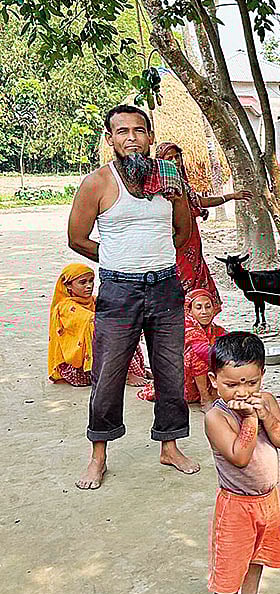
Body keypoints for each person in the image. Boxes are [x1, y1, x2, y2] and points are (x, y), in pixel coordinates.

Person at [67, 104, 198, 490]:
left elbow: (182, 234)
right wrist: (114, 261)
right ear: (111, 140)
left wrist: (177, 202)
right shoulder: (98, 183)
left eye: (138, 131)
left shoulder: (169, 177)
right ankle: (98, 456)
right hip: (119, 290)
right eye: (121, 132)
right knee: (108, 374)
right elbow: (77, 238)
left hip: (165, 287)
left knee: (170, 370)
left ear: (150, 136)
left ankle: (170, 446)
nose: (131, 138)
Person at [204, 332, 280, 594]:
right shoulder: (217, 417)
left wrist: (267, 413)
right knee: (227, 576)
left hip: (268, 499)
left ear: (261, 376)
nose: (242, 392)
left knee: (259, 553)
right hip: (236, 505)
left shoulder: (265, 399)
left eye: (250, 383)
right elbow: (240, 456)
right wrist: (252, 419)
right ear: (214, 381)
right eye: (232, 385)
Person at [155, 141, 252, 308]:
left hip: (192, 240)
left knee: (196, 277)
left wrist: (231, 196)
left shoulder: (182, 183)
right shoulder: (161, 186)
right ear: (160, 162)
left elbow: (200, 201)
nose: (174, 161)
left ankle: (199, 321)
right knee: (182, 280)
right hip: (176, 241)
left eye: (177, 157)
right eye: (169, 158)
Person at [48, 263, 148, 388]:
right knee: (110, 330)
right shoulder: (65, 306)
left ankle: (135, 369)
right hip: (80, 366)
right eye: (82, 282)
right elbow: (90, 320)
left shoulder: (92, 301)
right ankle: (126, 374)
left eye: (91, 281)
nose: (89, 286)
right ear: (68, 286)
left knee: (124, 326)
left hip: (97, 356)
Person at [137, 288, 227, 411]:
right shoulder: (186, 325)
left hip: (203, 380)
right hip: (180, 381)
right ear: (190, 310)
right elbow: (201, 350)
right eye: (199, 307)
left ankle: (213, 393)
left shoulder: (216, 330)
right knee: (195, 354)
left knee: (226, 348)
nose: (204, 312)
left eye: (208, 307)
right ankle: (205, 399)